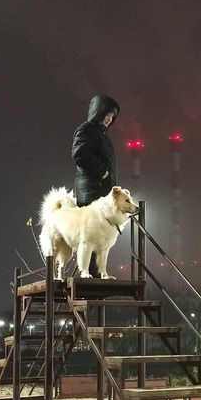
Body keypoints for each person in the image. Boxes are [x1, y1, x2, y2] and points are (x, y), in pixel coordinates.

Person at [72, 93, 121, 276]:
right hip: (91, 191)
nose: (109, 119)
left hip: (101, 191)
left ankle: (97, 271)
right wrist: (103, 172)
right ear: (98, 112)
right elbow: (79, 154)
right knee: (91, 232)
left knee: (100, 232)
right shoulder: (86, 130)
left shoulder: (102, 135)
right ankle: (90, 272)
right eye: (107, 115)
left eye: (112, 117)